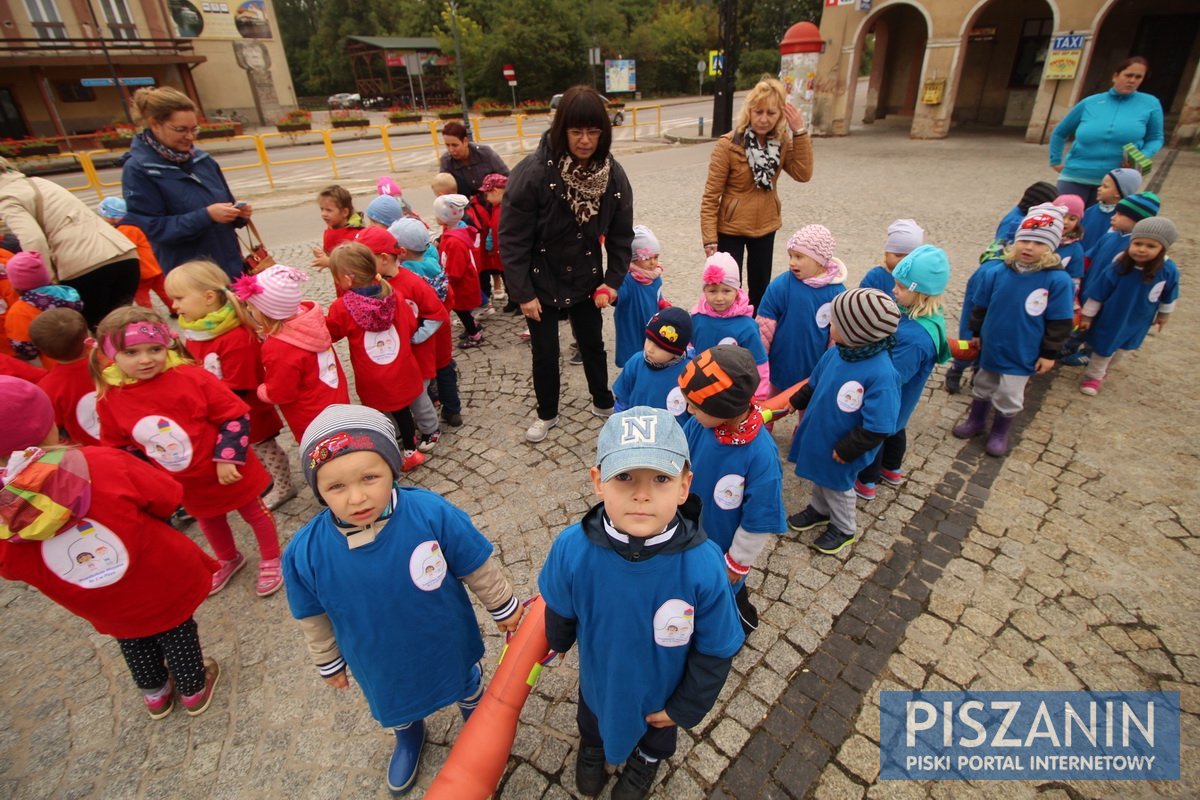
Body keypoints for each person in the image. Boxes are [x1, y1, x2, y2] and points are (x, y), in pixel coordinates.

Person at [283, 404, 523, 795]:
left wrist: (504, 607)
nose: (357, 497)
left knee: (462, 677)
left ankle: (476, 718)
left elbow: (475, 564)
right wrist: (328, 661)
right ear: (318, 489)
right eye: (336, 487)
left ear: (393, 469)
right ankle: (409, 734)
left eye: (370, 477)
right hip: (375, 655)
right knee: (393, 698)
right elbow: (312, 615)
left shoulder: (429, 513)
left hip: (443, 635)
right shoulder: (304, 552)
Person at [538, 406, 743, 799]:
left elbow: (716, 650)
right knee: (593, 720)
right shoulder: (572, 548)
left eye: (661, 478)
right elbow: (561, 606)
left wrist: (683, 709)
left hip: (663, 693)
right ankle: (594, 748)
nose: (642, 494)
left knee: (658, 737)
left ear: (684, 486)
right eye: (625, 476)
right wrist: (559, 640)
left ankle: (646, 761)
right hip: (600, 681)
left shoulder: (703, 565)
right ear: (599, 482)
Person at [0, 377, 221, 719]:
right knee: (176, 627)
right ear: (47, 425)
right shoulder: (100, 463)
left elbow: (10, 568)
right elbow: (166, 496)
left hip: (94, 595)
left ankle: (156, 694)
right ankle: (194, 688)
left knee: (130, 637)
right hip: (155, 576)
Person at [92, 306, 284, 597]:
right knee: (208, 519)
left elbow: (233, 416)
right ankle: (228, 558)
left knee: (254, 512)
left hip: (228, 469)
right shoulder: (110, 397)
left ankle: (272, 556)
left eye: (154, 349)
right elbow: (122, 447)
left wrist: (226, 458)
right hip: (182, 480)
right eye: (132, 353)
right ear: (111, 355)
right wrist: (149, 482)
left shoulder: (191, 377)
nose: (145, 360)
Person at [501, 85, 635, 443]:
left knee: (593, 344)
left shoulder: (612, 175)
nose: (585, 140)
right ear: (563, 130)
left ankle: (602, 400)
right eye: (576, 131)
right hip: (540, 278)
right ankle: (547, 412)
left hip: (588, 277)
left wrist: (613, 281)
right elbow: (512, 238)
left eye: (593, 131)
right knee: (545, 351)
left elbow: (622, 234)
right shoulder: (532, 172)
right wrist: (523, 293)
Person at [164, 259, 295, 509]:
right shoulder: (198, 331)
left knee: (263, 446)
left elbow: (241, 381)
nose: (173, 306)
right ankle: (266, 478)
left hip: (244, 409)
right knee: (251, 450)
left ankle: (283, 484)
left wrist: (201, 393)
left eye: (179, 298)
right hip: (220, 409)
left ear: (209, 297)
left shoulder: (235, 337)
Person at [953, 203, 1074, 457]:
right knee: (983, 382)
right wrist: (975, 333)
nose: (1029, 247)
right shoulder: (998, 272)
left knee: (1009, 393)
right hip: (992, 345)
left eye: (1039, 243)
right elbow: (981, 306)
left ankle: (1000, 431)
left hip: (1023, 350)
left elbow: (1060, 321)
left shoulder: (1057, 280)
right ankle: (976, 420)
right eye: (1025, 240)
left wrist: (1049, 353)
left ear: (1052, 246)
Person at [680, 346, 786, 635]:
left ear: (724, 409)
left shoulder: (761, 455)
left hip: (725, 551)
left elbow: (758, 520)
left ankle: (741, 623)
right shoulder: (700, 425)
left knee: (727, 595)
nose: (688, 410)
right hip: (692, 535)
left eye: (695, 406)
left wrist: (737, 563)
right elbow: (681, 457)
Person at [786, 289, 901, 554]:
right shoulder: (837, 353)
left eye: (836, 322)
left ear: (857, 331)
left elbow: (880, 425)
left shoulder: (882, 373)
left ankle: (844, 527)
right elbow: (814, 382)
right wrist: (797, 400)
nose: (830, 325)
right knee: (819, 475)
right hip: (821, 434)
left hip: (845, 446)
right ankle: (819, 509)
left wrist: (850, 447)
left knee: (837, 484)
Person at [700, 76, 814, 310]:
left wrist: (799, 132)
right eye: (758, 111)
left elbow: (803, 173)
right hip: (730, 227)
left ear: (780, 114)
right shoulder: (729, 144)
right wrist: (710, 239)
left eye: (771, 113)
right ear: (749, 111)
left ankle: (756, 332)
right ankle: (728, 331)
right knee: (729, 285)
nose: (763, 119)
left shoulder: (781, 142)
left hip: (765, 224)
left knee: (761, 286)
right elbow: (711, 196)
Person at [120, 86, 251, 281]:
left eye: (194, 129)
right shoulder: (138, 169)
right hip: (191, 278)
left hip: (230, 268)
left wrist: (238, 215)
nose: (190, 136)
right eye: (181, 130)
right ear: (155, 124)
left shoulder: (203, 160)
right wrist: (206, 216)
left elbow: (224, 204)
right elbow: (152, 227)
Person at [854, 246, 951, 500]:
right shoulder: (924, 318)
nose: (893, 290)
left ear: (921, 293)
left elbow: (894, 376)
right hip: (903, 402)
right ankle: (892, 469)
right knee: (897, 428)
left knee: (879, 433)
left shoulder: (915, 337)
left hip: (892, 397)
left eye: (901, 287)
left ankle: (866, 480)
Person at [948, 181, 1058, 393]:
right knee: (971, 332)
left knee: (986, 330)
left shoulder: (1024, 221)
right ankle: (958, 367)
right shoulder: (1016, 224)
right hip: (989, 282)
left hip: (1001, 283)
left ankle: (978, 370)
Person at [0, 158, 138, 327]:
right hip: (124, 254)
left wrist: (47, 283)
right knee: (122, 328)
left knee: (97, 333)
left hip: (84, 265)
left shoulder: (7, 197)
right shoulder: (38, 182)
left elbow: (33, 240)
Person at [326, 242, 427, 472]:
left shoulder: (342, 307)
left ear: (347, 280)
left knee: (378, 415)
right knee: (403, 410)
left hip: (372, 375)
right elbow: (411, 324)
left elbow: (332, 333)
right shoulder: (395, 295)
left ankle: (386, 449)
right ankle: (411, 451)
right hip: (401, 368)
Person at [230, 264, 351, 444]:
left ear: (268, 312)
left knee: (323, 457)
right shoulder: (310, 322)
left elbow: (281, 392)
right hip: (335, 400)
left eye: (252, 307)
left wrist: (263, 390)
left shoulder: (279, 347)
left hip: (312, 418)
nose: (250, 311)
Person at [354, 228, 448, 452]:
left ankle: (430, 428)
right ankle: (396, 428)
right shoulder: (373, 285)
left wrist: (416, 337)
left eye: (364, 261)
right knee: (390, 393)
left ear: (383, 258)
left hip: (417, 355)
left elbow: (438, 314)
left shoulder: (413, 283)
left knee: (417, 395)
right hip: (392, 356)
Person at [1077, 217, 1179, 396]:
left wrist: (1164, 315)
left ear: (1162, 248)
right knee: (1103, 347)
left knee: (1122, 349)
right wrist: (1088, 315)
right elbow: (1099, 293)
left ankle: (1103, 369)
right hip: (1112, 316)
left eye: (1150, 246)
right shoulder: (1119, 266)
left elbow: (1169, 294)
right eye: (1137, 243)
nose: (1141, 249)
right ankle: (1094, 376)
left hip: (1138, 318)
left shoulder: (1168, 270)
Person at [1049, 57, 1164, 206]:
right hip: (1075, 176)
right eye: (1128, 75)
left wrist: (1143, 155)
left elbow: (1156, 137)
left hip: (1117, 183)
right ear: (1115, 76)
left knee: (1101, 227)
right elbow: (1060, 132)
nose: (1132, 80)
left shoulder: (1150, 103)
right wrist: (1055, 160)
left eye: (1138, 77)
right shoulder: (1090, 102)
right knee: (1065, 225)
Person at [756, 224, 847, 396]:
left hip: (812, 370)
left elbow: (837, 337)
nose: (792, 262)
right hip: (779, 363)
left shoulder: (837, 293)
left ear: (819, 260)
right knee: (768, 404)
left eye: (799, 257)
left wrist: (830, 368)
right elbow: (764, 325)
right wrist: (760, 360)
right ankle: (764, 425)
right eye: (790, 256)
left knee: (808, 410)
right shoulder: (783, 284)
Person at [391, 218, 463, 428]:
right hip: (443, 329)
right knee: (445, 368)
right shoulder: (433, 263)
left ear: (402, 251)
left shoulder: (406, 274)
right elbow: (449, 296)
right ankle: (453, 410)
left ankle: (428, 411)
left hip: (423, 333)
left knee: (425, 373)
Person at [691, 253, 769, 397]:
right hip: (700, 392)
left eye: (726, 291)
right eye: (712, 291)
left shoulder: (747, 327)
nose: (719, 298)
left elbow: (759, 365)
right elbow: (688, 352)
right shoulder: (696, 318)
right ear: (704, 290)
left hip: (733, 395)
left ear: (737, 290)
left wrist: (759, 399)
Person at [28, 307, 102, 446]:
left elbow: (52, 426)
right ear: (88, 338)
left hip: (92, 449)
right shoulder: (115, 359)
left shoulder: (47, 388)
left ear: (44, 352)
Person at [3, 251, 83, 366]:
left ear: (15, 284)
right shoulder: (66, 294)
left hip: (55, 365)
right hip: (85, 356)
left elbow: (26, 351)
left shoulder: (19, 311)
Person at [612, 307, 692, 417]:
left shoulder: (689, 373)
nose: (649, 349)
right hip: (636, 427)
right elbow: (622, 399)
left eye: (659, 346)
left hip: (672, 432)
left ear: (676, 352)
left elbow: (695, 414)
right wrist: (620, 421)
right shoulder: (635, 362)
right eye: (649, 340)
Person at [96, 196, 172, 312]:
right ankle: (175, 310)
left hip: (142, 270)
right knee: (163, 290)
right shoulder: (134, 223)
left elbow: (122, 248)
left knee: (141, 295)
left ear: (112, 215)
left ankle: (149, 315)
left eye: (104, 216)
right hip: (154, 265)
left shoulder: (125, 229)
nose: (104, 219)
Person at [433, 194, 485, 348]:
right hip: (461, 280)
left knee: (460, 308)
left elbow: (456, 268)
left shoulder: (454, 242)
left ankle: (475, 334)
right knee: (461, 308)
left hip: (460, 282)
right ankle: (472, 325)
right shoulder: (453, 231)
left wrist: (448, 280)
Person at [614, 225, 668, 368]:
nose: (653, 262)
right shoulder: (628, 279)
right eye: (647, 258)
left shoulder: (655, 277)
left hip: (651, 322)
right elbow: (617, 296)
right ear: (634, 258)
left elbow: (657, 296)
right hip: (632, 323)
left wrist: (663, 304)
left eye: (656, 257)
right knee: (633, 357)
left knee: (651, 353)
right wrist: (609, 293)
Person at [439, 121, 509, 197]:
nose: (451, 150)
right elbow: (444, 188)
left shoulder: (485, 153)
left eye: (455, 145)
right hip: (465, 204)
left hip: (492, 201)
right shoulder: (446, 161)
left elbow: (507, 178)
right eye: (447, 145)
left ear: (465, 141)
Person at [859, 219, 924, 299]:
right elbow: (860, 302)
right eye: (898, 255)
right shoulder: (875, 277)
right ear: (886, 253)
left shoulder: (919, 279)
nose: (903, 261)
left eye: (909, 258)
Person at [1079, 168, 1141, 252]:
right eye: (1101, 185)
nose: (1099, 188)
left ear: (1118, 193)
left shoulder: (1123, 219)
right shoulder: (1090, 211)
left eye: (1105, 186)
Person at [310, 184, 364, 271]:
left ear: (344, 212)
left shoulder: (355, 234)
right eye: (322, 209)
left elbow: (355, 263)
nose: (323, 214)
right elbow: (331, 255)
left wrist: (329, 262)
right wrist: (323, 255)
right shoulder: (330, 230)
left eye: (328, 210)